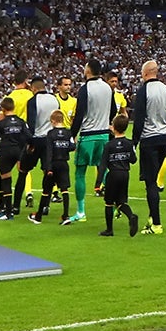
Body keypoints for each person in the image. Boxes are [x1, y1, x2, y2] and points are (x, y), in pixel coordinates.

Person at [70, 60, 117, 225]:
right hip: (104, 135)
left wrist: (72, 135)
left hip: (88, 136)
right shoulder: (107, 87)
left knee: (80, 173)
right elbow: (114, 111)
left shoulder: (85, 89)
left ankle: (81, 211)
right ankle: (115, 206)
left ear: (88, 71)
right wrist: (105, 122)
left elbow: (79, 115)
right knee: (105, 171)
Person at [132, 60, 166, 234]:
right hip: (165, 138)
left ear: (145, 73)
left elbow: (139, 119)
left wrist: (134, 143)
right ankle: (151, 218)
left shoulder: (144, 91)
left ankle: (156, 224)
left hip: (149, 139)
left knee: (150, 183)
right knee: (154, 178)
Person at [0, 99, 33, 218]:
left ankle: (7, 212)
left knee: (6, 180)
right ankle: (9, 210)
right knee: (21, 176)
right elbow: (29, 137)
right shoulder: (21, 122)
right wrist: (30, 150)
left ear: (3, 109)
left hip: (6, 152)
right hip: (19, 152)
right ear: (13, 107)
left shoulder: (2, 123)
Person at [31, 111, 75, 223]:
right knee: (64, 189)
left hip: (53, 163)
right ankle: (66, 216)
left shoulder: (50, 134)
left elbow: (49, 152)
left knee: (46, 190)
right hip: (64, 163)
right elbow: (72, 146)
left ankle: (39, 216)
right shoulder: (68, 133)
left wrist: (48, 168)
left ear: (53, 121)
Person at [98, 128, 140, 238]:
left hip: (113, 174)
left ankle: (109, 230)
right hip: (125, 174)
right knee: (121, 201)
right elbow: (133, 160)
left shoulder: (109, 145)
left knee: (109, 202)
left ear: (114, 129)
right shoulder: (129, 143)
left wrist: (98, 183)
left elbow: (102, 165)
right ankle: (131, 216)